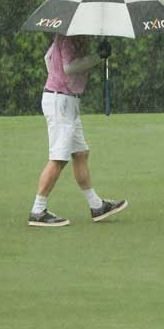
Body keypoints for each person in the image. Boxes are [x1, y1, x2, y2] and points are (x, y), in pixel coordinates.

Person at [28, 35, 127, 227]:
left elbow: (48, 58)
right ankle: (38, 210)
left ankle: (96, 206)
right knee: (58, 159)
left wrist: (57, 82)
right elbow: (69, 67)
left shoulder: (73, 38)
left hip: (65, 100)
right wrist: (98, 57)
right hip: (61, 102)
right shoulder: (69, 38)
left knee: (80, 154)